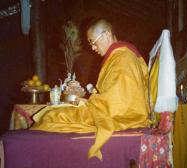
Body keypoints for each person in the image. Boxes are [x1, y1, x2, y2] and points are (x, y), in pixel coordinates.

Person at [31, 18, 150, 159]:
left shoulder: (123, 59)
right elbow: (114, 95)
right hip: (110, 110)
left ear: (106, 34)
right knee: (54, 113)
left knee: (52, 117)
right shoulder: (118, 57)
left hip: (122, 117)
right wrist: (87, 99)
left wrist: (88, 103)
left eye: (93, 42)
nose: (93, 48)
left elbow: (119, 104)